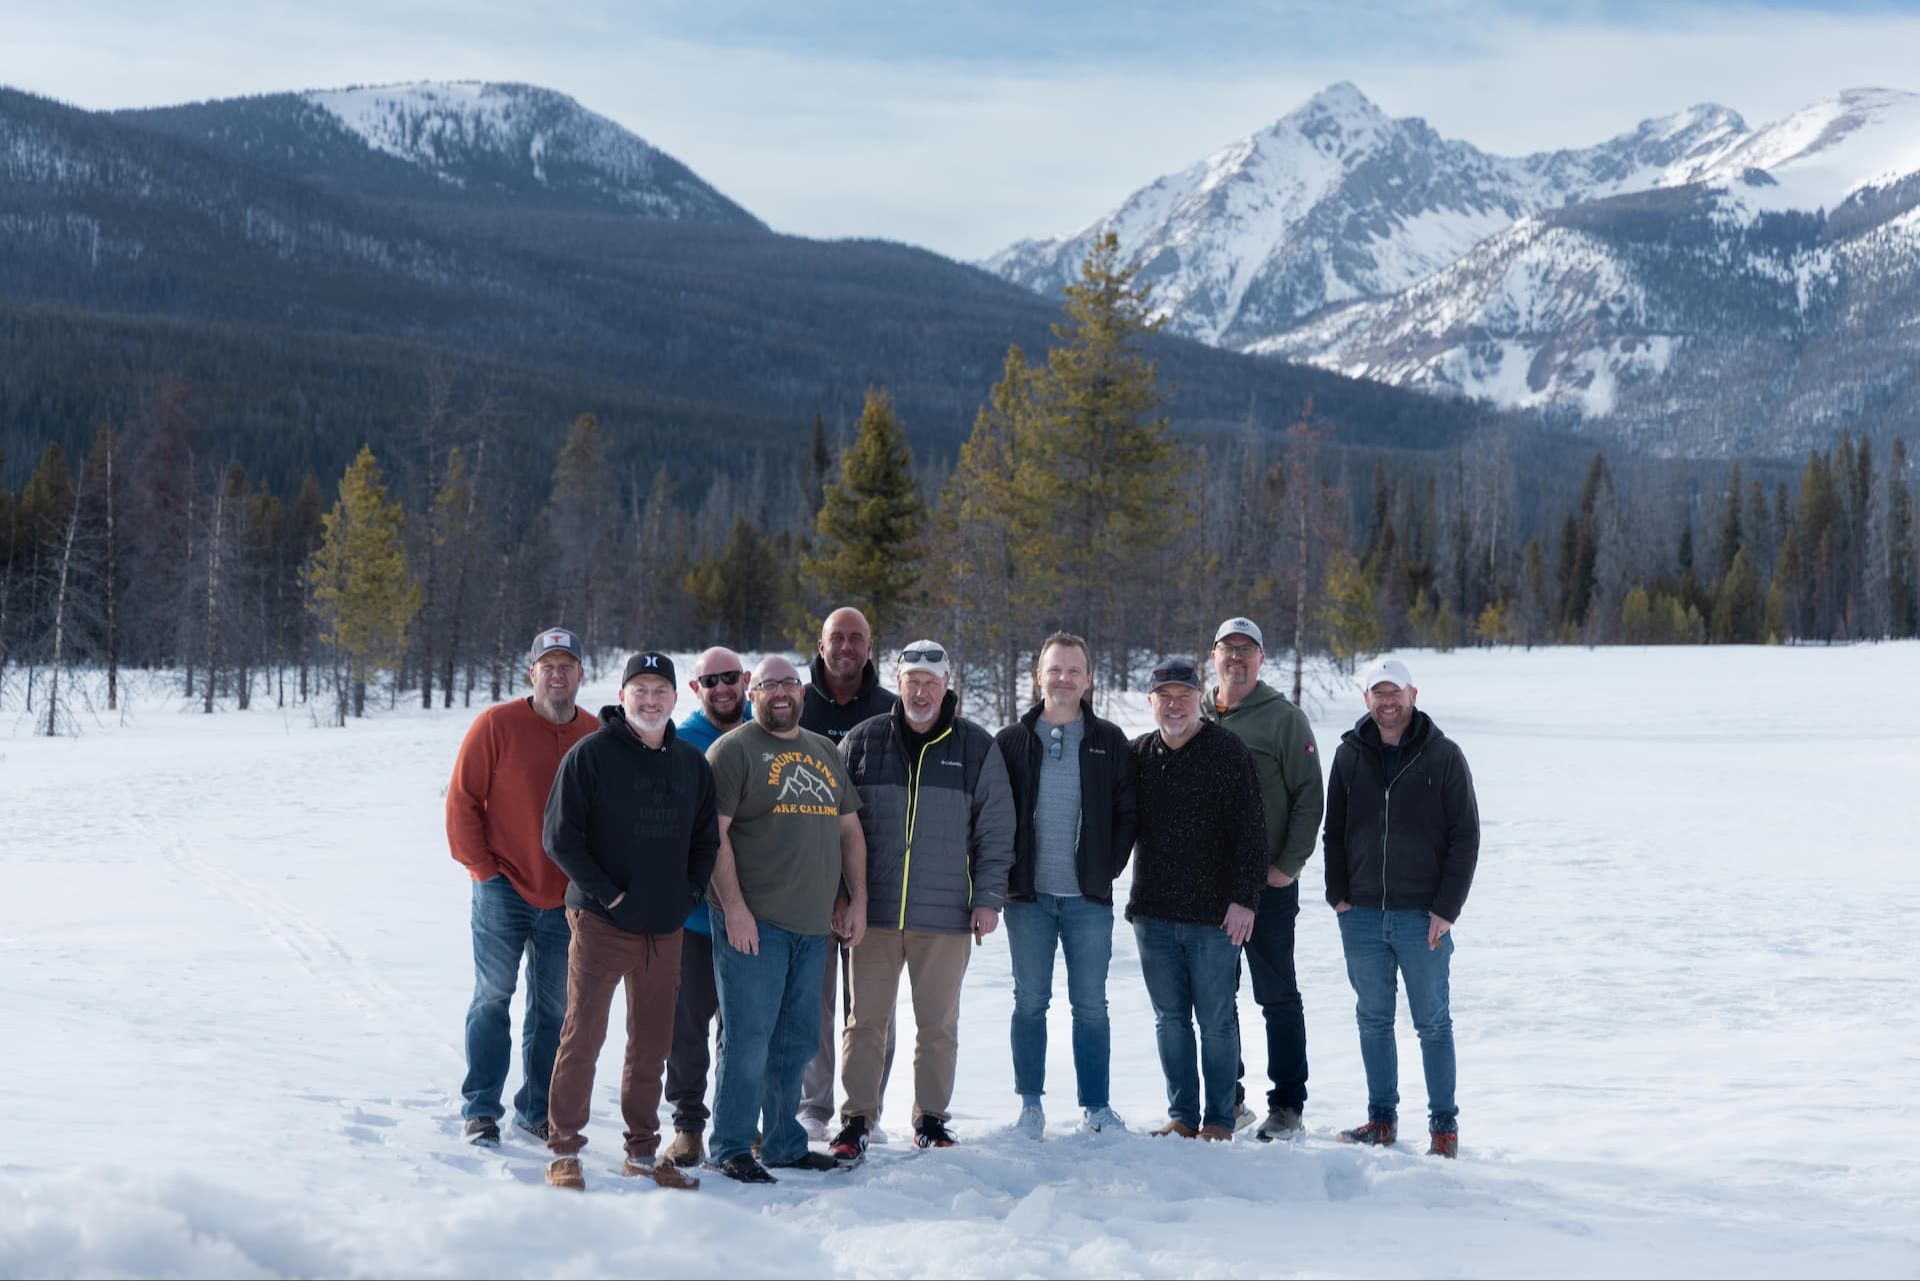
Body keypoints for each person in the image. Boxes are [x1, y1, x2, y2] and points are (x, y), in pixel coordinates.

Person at [539, 652, 718, 1192]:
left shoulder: (690, 764)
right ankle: (564, 1148)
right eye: (639, 690)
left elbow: (706, 840)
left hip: (664, 929)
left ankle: (642, 1151)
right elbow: (559, 838)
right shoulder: (590, 756)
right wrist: (610, 895)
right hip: (601, 923)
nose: (649, 700)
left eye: (659, 691)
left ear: (674, 699)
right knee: (583, 1035)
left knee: (651, 1044)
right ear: (623, 698)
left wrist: (685, 895)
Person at [830, 640, 1015, 1157]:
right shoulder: (864, 742)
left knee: (937, 1025)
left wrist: (989, 898)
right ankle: (856, 1120)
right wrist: (844, 897)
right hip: (875, 914)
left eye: (931, 682)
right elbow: (836, 829)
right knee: (865, 1021)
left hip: (946, 914)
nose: (921, 691)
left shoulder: (976, 746)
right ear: (898, 681)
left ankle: (931, 1118)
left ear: (947, 685)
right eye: (912, 680)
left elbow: (996, 829)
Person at [703, 656, 869, 1183]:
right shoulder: (732, 752)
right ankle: (730, 1145)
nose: (781, 693)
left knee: (796, 1040)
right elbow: (715, 835)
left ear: (802, 692)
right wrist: (734, 909)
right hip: (755, 924)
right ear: (752, 691)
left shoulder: (823, 751)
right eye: (770, 683)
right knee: (748, 1037)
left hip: (812, 926)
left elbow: (849, 833)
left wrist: (855, 898)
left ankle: (782, 1143)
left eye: (790, 684)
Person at [444, 626, 599, 1147]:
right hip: (502, 889)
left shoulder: (596, 734)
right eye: (547, 665)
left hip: (567, 899)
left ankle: (535, 1110)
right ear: (531, 672)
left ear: (581, 673)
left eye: (567, 665)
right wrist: (484, 871)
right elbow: (462, 802)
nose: (557, 674)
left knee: (553, 1009)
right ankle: (481, 1108)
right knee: (492, 997)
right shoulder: (495, 725)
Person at [1324, 657, 1480, 1159]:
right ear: (1365, 698)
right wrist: (1339, 897)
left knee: (1432, 1023)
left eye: (1395, 692)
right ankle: (1382, 1120)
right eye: (1377, 693)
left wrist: (1446, 909)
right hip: (1363, 916)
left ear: (1413, 693)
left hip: (1423, 919)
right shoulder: (1349, 756)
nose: (1387, 702)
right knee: (1373, 1020)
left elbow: (1466, 837)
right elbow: (1334, 833)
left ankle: (1443, 1129)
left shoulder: (1443, 756)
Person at [992, 631, 1137, 1136]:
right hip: (1028, 899)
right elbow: (991, 814)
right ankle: (1030, 1107)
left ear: (1089, 678)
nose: (1064, 678)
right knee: (1030, 1001)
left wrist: (1106, 867)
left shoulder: (1108, 741)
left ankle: (1096, 1107)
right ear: (1038, 676)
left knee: (1091, 1005)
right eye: (1055, 669)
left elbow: (1127, 812)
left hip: (1087, 900)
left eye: (1074, 670)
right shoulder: (1012, 741)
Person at [1128, 656, 1268, 1141]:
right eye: (1164, 698)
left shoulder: (1228, 753)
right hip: (1154, 914)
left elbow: (1253, 832)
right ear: (1151, 702)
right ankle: (1183, 1116)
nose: (1174, 706)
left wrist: (1245, 899)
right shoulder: (1139, 756)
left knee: (1216, 1020)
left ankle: (1220, 1120)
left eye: (1184, 698)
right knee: (1170, 1020)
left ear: (1199, 702)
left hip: (1215, 918)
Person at [1199, 616, 1325, 1141]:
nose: (1236, 658)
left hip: (1268, 886)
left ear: (1261, 659)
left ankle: (1288, 1104)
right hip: (1209, 888)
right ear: (1214, 657)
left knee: (1275, 994)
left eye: (1247, 650)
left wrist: (1286, 867)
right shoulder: (1195, 713)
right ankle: (1231, 1098)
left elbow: (1308, 798)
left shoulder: (1283, 719)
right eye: (1228, 649)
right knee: (1214, 996)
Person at [797, 606, 900, 1141]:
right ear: (820, 645)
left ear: (869, 646)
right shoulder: (797, 704)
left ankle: (865, 1108)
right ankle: (812, 1106)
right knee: (812, 998)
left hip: (874, 880)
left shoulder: (891, 709)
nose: (845, 647)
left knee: (870, 1002)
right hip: (807, 879)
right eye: (836, 638)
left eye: (855, 638)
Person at [661, 646, 754, 1169]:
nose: (721, 688)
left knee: (744, 1025)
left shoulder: (763, 733)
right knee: (689, 1024)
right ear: (696, 690)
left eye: (730, 678)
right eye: (709, 681)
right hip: (697, 912)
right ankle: (688, 1125)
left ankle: (740, 1122)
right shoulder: (682, 742)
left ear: (744, 680)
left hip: (756, 908)